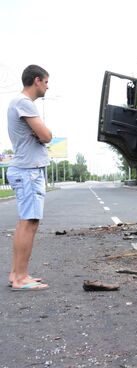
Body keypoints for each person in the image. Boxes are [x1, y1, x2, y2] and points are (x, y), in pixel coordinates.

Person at [6, 64, 52, 291]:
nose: (47, 86)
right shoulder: (23, 103)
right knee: (29, 222)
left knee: (25, 222)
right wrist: (43, 134)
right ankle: (21, 278)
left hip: (26, 169)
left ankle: (16, 273)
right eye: (45, 81)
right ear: (36, 80)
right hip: (28, 171)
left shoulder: (19, 103)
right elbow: (46, 135)